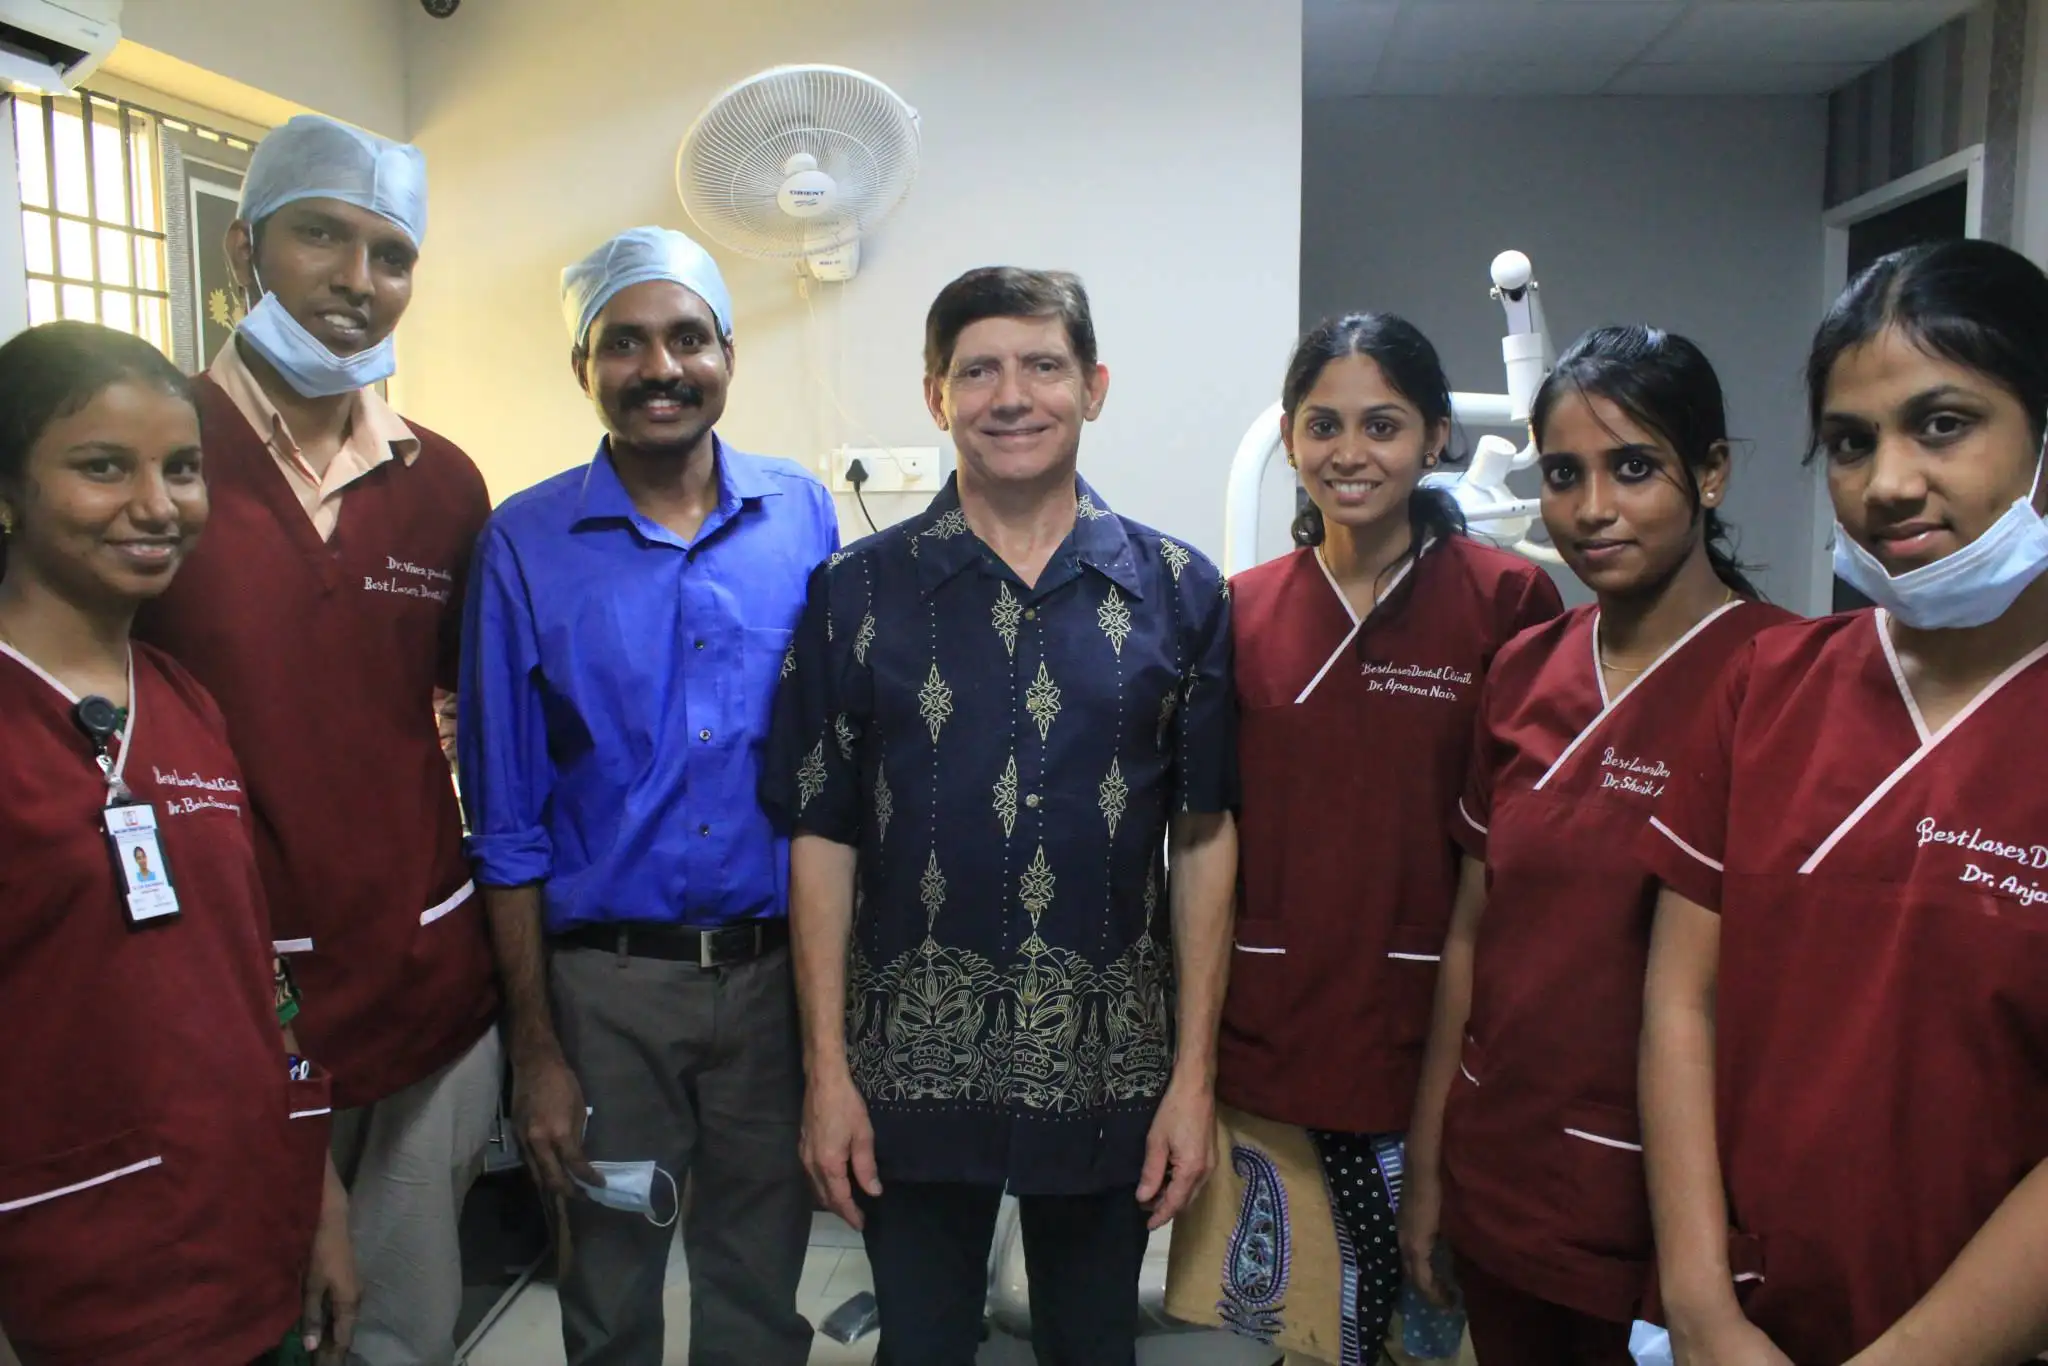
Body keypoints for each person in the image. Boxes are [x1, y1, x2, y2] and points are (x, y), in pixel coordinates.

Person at [763, 266, 1239, 1366]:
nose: (1011, 395)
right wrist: (826, 1074)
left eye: (1042, 366)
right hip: (906, 1066)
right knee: (922, 1345)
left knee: (1092, 1345)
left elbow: (1206, 836)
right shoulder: (853, 594)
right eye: (977, 370)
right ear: (936, 395)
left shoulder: (1181, 592)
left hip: (1110, 1063)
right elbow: (821, 836)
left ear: (1094, 387)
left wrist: (1193, 1077)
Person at [130, 115, 501, 1366]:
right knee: (266, 1319)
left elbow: (452, 707)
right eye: (319, 237)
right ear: (244, 247)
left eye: (391, 255)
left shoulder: (442, 484)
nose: (356, 280)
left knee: (403, 1321)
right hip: (223, 989)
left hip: (425, 976)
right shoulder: (153, 462)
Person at [1639, 238, 2048, 1366]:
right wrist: (1702, 1312)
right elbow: (1681, 1004)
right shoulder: (1766, 687)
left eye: (1943, 424)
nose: (1887, 483)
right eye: (1851, 442)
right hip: (1746, 1323)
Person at [460, 225, 837, 1366]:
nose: (659, 367)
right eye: (623, 342)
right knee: (609, 1294)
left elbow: (838, 769)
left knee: (759, 1289)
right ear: (582, 366)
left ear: (728, 353)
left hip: (775, 983)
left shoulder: (802, 516)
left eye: (686, 338)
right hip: (605, 993)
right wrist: (537, 1048)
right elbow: (505, 821)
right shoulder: (523, 543)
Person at [1398, 327, 1793, 1365]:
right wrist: (1431, 1165)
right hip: (1502, 1174)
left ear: (1710, 472)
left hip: (1670, 1215)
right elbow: (1471, 934)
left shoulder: (1788, 678)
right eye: (1565, 475)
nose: (1591, 509)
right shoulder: (1524, 670)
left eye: (1633, 468)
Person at [1201, 313, 1561, 1357]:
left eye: (1382, 425)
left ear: (1435, 437)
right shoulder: (1239, 611)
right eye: (1323, 425)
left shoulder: (1504, 599)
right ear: (1289, 436)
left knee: (1421, 1311)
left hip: (1433, 1021)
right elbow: (1212, 824)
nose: (1349, 453)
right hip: (1276, 1013)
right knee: (1305, 1321)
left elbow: (1521, 839)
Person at [0, 321, 354, 1365]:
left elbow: (257, 978)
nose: (157, 506)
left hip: (252, 1240)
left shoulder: (184, 703)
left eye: (182, 469)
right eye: (103, 467)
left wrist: (319, 1187)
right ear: (9, 488)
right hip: (72, 1276)